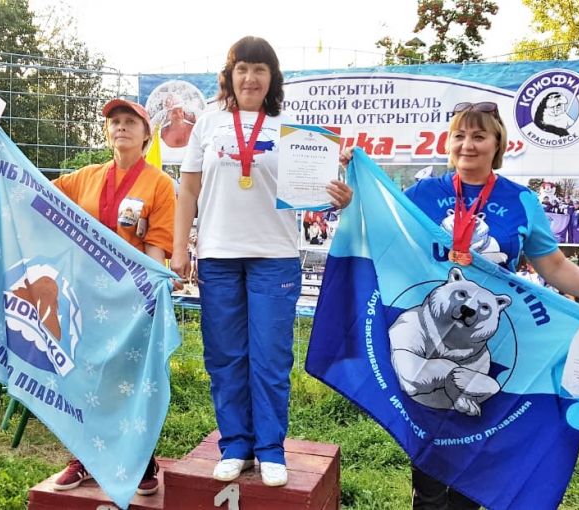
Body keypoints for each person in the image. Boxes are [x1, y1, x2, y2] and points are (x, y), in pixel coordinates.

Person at [343, 101, 579, 509]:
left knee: (476, 449)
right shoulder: (423, 194)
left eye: (479, 136)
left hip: (490, 343)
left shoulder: (520, 201)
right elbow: (379, 230)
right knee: (429, 458)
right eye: (459, 136)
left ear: (497, 144)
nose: (468, 145)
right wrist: (353, 184)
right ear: (448, 143)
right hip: (428, 341)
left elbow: (554, 265)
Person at [170, 36, 352, 488]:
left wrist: (337, 193)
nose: (250, 78)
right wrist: (180, 248)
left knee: (270, 358)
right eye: (242, 69)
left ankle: (270, 448)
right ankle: (235, 445)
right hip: (218, 255)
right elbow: (188, 191)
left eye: (259, 69)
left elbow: (318, 193)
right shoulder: (207, 124)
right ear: (229, 76)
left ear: (272, 78)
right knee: (225, 356)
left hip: (275, 256)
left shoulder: (293, 130)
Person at [50, 97, 177, 496]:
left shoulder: (159, 184)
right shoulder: (84, 178)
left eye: (130, 122)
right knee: (84, 375)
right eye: (115, 121)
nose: (121, 127)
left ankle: (141, 460)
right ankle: (84, 458)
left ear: (146, 135)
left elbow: (157, 246)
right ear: (107, 132)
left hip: (130, 301)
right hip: (83, 296)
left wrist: (151, 297)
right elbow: (36, 196)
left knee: (133, 378)